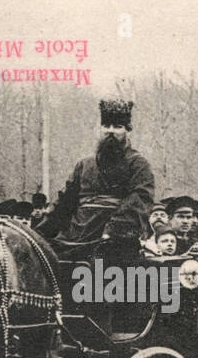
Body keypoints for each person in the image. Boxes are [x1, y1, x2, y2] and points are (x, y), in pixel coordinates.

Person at [37, 99, 155, 249]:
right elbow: (66, 202)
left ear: (127, 129)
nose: (110, 131)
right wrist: (41, 232)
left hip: (116, 235)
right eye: (106, 126)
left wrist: (113, 230)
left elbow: (140, 200)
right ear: (100, 128)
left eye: (117, 127)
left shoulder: (138, 163)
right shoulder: (85, 164)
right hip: (78, 232)